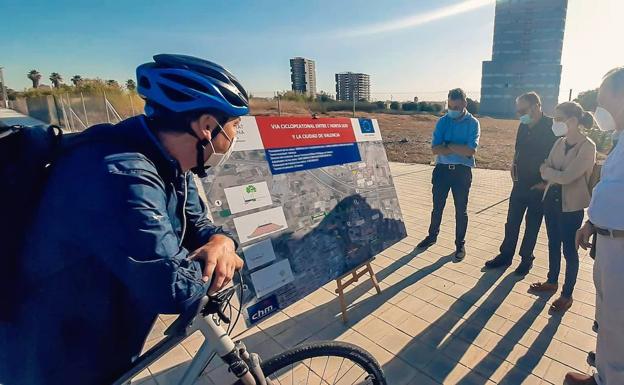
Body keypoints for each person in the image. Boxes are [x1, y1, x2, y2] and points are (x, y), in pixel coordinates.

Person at [1, 54, 247, 385]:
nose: (234, 136)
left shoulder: (171, 162)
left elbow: (201, 228)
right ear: (206, 127)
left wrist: (221, 243)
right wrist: (216, 263)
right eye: (234, 126)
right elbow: (172, 288)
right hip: (55, 355)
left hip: (104, 338)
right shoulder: (121, 174)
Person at [566, 67, 624, 385]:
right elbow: (611, 189)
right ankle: (603, 374)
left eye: (603, 101)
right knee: (606, 316)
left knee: (617, 321)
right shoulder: (620, 140)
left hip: (621, 246)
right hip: (607, 241)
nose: (598, 110)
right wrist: (591, 222)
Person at [528, 102, 596, 313]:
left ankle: (567, 294)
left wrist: (551, 173)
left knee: (569, 249)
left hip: (571, 207)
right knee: (552, 243)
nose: (554, 123)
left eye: (559, 119)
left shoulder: (588, 146)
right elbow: (543, 167)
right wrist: (552, 173)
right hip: (551, 201)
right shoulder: (559, 143)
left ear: (573, 121)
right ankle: (552, 281)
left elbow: (567, 177)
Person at [484, 92, 557, 275]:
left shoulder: (552, 127)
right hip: (519, 184)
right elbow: (518, 151)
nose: (520, 115)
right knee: (511, 223)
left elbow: (558, 158)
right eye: (518, 111)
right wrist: (513, 166)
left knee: (532, 225)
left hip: (539, 187)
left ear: (536, 106)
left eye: (523, 110)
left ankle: (526, 258)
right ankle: (505, 255)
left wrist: (547, 182)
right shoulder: (523, 126)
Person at [417, 88, 480, 261]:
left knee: (461, 211)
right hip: (442, 171)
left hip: (462, 172)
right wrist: (458, 148)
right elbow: (435, 149)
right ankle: (432, 236)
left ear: (465, 104)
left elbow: (471, 151)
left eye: (457, 107)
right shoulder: (442, 121)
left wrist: (449, 145)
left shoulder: (473, 123)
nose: (453, 110)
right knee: (437, 207)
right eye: (450, 106)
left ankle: (460, 243)